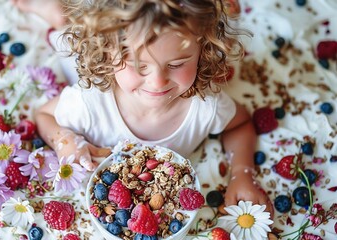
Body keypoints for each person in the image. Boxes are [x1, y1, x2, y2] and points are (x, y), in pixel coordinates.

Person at [34, 0, 274, 216]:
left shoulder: (205, 106)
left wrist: (242, 172)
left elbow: (240, 124)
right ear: (108, 52)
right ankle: (55, 13)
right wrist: (65, 142)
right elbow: (43, 114)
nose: (157, 82)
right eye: (139, 65)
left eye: (177, 63)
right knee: (66, 35)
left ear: (203, 51)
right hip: (86, 66)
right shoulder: (88, 102)